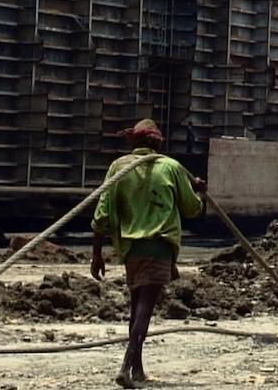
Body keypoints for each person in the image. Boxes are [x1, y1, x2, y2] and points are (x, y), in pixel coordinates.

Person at [91, 119, 206, 389]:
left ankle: (138, 368)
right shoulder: (171, 167)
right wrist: (199, 194)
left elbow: (101, 215)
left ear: (134, 142)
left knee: (136, 307)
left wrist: (96, 255)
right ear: (157, 143)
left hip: (130, 249)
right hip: (159, 246)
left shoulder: (118, 167)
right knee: (144, 309)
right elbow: (191, 209)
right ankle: (125, 368)